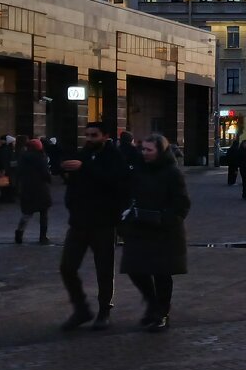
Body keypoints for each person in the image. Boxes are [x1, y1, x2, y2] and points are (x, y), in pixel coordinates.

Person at [60, 121, 130, 330]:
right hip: (79, 222)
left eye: (94, 135)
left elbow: (115, 182)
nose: (90, 139)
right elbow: (74, 185)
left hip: (104, 223)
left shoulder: (114, 156)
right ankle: (81, 309)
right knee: (67, 267)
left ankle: (104, 311)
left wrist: (85, 168)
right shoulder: (83, 154)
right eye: (88, 135)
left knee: (104, 269)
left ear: (105, 136)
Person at [121, 134, 191, 332]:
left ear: (160, 151)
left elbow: (182, 204)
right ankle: (152, 304)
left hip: (164, 231)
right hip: (139, 227)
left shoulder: (172, 173)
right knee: (134, 268)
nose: (144, 153)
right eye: (142, 149)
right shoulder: (138, 170)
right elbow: (128, 193)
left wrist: (164, 218)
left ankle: (162, 313)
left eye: (149, 150)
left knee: (161, 274)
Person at [14, 137, 53, 245]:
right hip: (40, 188)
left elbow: (18, 172)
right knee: (43, 213)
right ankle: (43, 236)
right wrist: (49, 180)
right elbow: (45, 173)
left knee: (27, 213)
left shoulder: (22, 157)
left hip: (27, 188)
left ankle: (19, 233)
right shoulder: (41, 157)